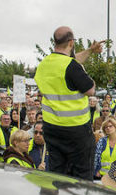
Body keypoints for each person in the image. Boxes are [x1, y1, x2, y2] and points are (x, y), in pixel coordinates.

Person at [34, 26, 105, 180]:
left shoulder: (44, 65)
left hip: (52, 129)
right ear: (71, 42)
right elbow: (90, 90)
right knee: (82, 178)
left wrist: (90, 51)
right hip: (76, 130)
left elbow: (67, 63)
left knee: (58, 174)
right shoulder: (73, 67)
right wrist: (83, 69)